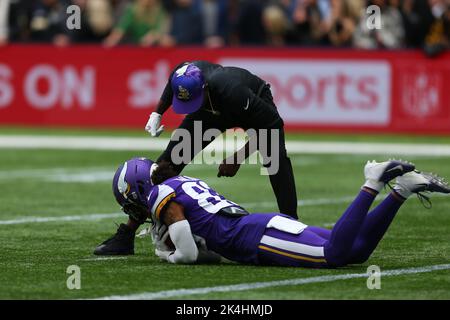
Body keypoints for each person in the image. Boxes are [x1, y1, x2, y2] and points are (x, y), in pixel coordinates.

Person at [94, 60, 298, 255]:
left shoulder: (234, 93)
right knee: (165, 165)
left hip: (250, 107)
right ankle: (126, 235)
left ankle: (292, 225)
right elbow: (172, 80)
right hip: (209, 111)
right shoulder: (184, 73)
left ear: (204, 88)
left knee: (275, 159)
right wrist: (157, 113)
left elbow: (273, 125)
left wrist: (238, 157)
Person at [104, 158, 449, 267]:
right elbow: (209, 254)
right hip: (260, 225)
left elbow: (190, 255)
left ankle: (372, 183)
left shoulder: (162, 195)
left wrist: (168, 257)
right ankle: (403, 189)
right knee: (355, 251)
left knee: (335, 254)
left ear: (135, 189)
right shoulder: (179, 182)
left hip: (255, 236)